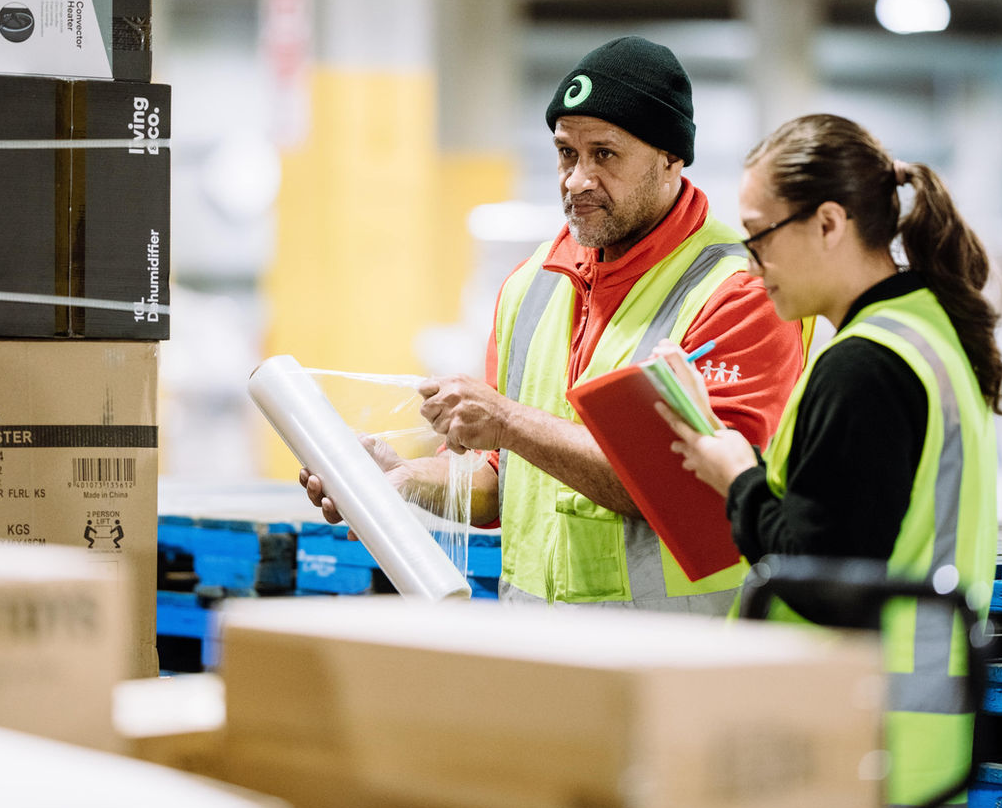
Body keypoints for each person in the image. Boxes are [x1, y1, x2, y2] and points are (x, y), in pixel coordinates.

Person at [303, 35, 806, 612]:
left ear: (671, 158)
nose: (577, 179)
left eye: (605, 154)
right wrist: (404, 478)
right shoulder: (531, 286)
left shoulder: (738, 291)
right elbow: (501, 479)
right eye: (567, 152)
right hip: (540, 651)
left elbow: (695, 489)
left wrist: (508, 422)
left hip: (670, 657)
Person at [658, 113, 1002, 808]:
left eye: (758, 236)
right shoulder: (925, 333)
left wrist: (738, 478)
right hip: (918, 743)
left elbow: (824, 576)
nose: (751, 266)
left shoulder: (864, 368)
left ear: (827, 223)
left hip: (858, 740)